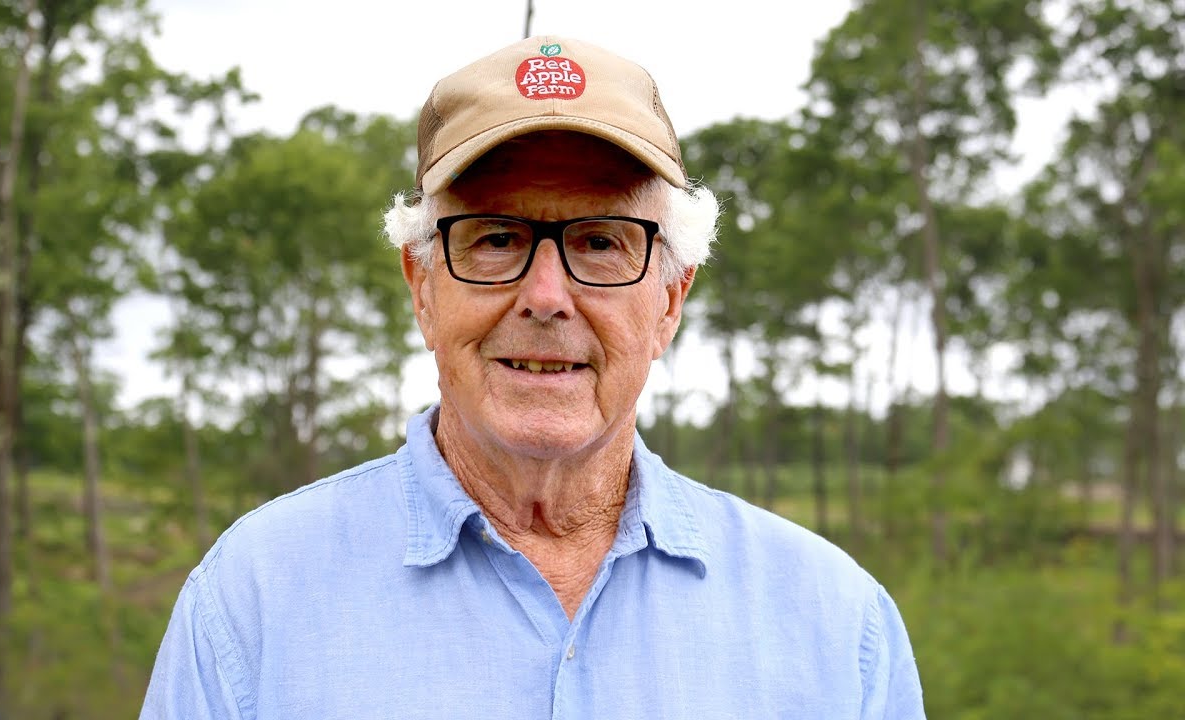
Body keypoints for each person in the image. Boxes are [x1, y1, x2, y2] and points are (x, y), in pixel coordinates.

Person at [140, 36, 925, 719]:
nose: (547, 297)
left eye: (600, 242)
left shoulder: (835, 624)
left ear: (671, 299)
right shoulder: (253, 601)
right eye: (493, 239)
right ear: (421, 286)